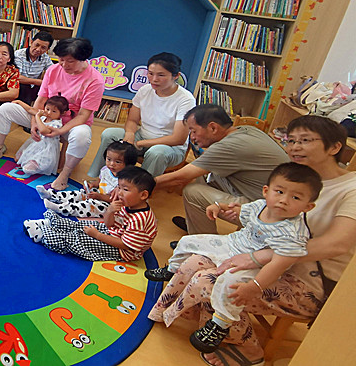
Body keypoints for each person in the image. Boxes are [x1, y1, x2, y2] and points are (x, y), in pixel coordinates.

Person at [149, 115, 356, 366]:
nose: (294, 147)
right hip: (268, 256)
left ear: (334, 147)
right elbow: (265, 209)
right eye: (291, 141)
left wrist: (257, 257)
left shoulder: (350, 189)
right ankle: (189, 318)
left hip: (308, 282)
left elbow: (337, 244)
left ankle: (250, 352)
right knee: (196, 261)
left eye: (305, 140)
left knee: (211, 280)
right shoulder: (298, 177)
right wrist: (233, 211)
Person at [148, 162, 321, 353]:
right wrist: (218, 207)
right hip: (232, 244)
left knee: (230, 282)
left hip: (256, 265)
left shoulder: (293, 232)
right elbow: (239, 210)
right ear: (266, 191)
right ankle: (171, 269)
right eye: (279, 192)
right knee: (188, 241)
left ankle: (220, 324)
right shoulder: (260, 206)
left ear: (308, 206)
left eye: (295, 197)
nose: (284, 200)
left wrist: (254, 286)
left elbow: (278, 266)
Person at [0, 38, 104, 190]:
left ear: (83, 59)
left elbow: (83, 115)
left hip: (71, 123)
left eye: (69, 61)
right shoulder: (53, 70)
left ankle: (65, 174)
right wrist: (34, 123)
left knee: (82, 136)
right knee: (5, 109)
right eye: (61, 60)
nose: (63, 65)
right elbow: (41, 99)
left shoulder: (95, 80)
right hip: (46, 116)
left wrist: (60, 130)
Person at [156, 104, 288, 235]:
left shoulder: (229, 146)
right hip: (273, 200)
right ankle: (197, 223)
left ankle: (203, 245)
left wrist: (141, 184)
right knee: (202, 174)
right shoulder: (246, 130)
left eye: (194, 131)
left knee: (192, 192)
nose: (192, 137)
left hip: (268, 212)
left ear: (213, 127)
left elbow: (179, 177)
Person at [89, 52, 195, 177]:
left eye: (161, 75)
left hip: (169, 147)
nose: (154, 79)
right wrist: (130, 133)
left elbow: (178, 139)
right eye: (150, 73)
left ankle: (137, 189)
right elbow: (132, 120)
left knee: (157, 152)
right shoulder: (144, 90)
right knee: (109, 134)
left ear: (176, 76)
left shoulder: (186, 99)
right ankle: (98, 178)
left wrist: (140, 144)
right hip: (143, 136)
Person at [23, 166, 157, 262]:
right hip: (114, 233)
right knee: (84, 225)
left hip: (123, 251)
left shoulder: (140, 219)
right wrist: (109, 211)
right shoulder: (126, 204)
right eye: (119, 187)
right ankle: (51, 223)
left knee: (80, 241)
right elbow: (109, 224)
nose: (119, 193)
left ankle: (45, 235)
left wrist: (97, 235)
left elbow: (125, 245)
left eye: (125, 189)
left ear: (143, 195)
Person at [37, 139, 139, 219]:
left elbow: (116, 200)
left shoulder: (124, 181)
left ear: (128, 164)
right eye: (109, 159)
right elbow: (101, 181)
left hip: (108, 204)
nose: (111, 164)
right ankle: (52, 195)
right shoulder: (106, 170)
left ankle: (61, 208)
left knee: (88, 206)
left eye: (118, 162)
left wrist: (99, 197)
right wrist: (92, 184)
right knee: (79, 194)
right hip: (98, 193)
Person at [12, 96, 69, 175]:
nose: (49, 113)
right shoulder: (44, 117)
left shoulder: (56, 124)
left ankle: (36, 163)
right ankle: (30, 159)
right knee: (17, 159)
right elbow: (30, 109)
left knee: (27, 170)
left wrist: (38, 117)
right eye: (47, 109)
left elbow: (43, 131)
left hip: (46, 150)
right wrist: (19, 102)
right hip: (36, 144)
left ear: (62, 113)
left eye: (54, 111)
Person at [14, 32, 54, 105]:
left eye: (43, 48)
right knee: (25, 88)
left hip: (35, 87)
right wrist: (40, 82)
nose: (38, 49)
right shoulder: (18, 55)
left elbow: (54, 72)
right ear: (31, 42)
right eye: (37, 45)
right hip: (20, 86)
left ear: (47, 49)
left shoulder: (45, 58)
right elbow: (17, 77)